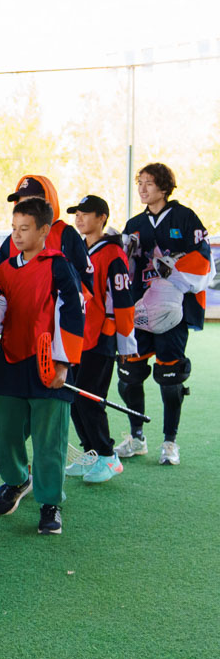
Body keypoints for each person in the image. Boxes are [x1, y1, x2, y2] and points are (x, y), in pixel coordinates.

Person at [0, 197, 85, 535]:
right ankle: (17, 480)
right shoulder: (3, 270)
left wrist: (63, 363)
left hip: (49, 364)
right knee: (5, 434)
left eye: (24, 229)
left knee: (48, 441)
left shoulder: (59, 265)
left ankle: (49, 503)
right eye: (14, 228)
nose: (17, 235)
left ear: (44, 231)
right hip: (10, 362)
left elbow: (73, 313)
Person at [115, 163, 212, 465]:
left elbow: (203, 261)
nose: (142, 188)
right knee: (129, 376)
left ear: (164, 187)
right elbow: (122, 269)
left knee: (171, 378)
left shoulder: (185, 217)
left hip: (173, 313)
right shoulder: (134, 224)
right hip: (139, 312)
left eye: (149, 183)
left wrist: (174, 272)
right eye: (140, 182)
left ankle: (170, 442)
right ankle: (136, 437)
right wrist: (124, 253)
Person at [64, 195, 135, 482]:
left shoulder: (113, 253)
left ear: (102, 217)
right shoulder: (79, 249)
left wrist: (126, 341)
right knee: (73, 397)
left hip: (101, 337)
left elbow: (123, 299)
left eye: (85, 213)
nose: (79, 218)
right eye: (77, 213)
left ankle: (107, 456)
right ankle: (91, 452)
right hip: (78, 336)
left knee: (89, 398)